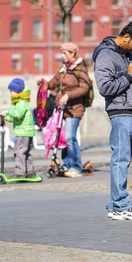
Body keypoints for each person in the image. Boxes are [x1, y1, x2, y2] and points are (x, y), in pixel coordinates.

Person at [93, 20, 132, 220]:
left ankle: (116, 203)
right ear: (126, 37)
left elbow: (128, 81)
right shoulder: (105, 55)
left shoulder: (125, 54)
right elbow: (105, 88)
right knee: (120, 160)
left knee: (124, 160)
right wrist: (129, 75)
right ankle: (119, 206)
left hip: (130, 111)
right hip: (120, 112)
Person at [38, 42, 90, 178]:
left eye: (64, 53)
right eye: (61, 53)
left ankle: (76, 167)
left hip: (75, 109)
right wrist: (44, 83)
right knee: (63, 138)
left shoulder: (80, 68)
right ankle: (66, 165)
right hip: (63, 110)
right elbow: (53, 83)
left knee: (70, 137)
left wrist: (68, 95)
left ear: (72, 54)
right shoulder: (63, 69)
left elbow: (84, 88)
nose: (62, 56)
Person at [1, 78, 36, 178]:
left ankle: (20, 172)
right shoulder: (23, 102)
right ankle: (30, 171)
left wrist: (7, 111)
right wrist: (7, 118)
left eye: (11, 91)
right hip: (27, 132)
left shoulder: (21, 103)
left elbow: (17, 114)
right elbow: (17, 117)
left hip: (22, 132)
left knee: (19, 151)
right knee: (26, 152)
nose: (10, 93)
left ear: (15, 91)